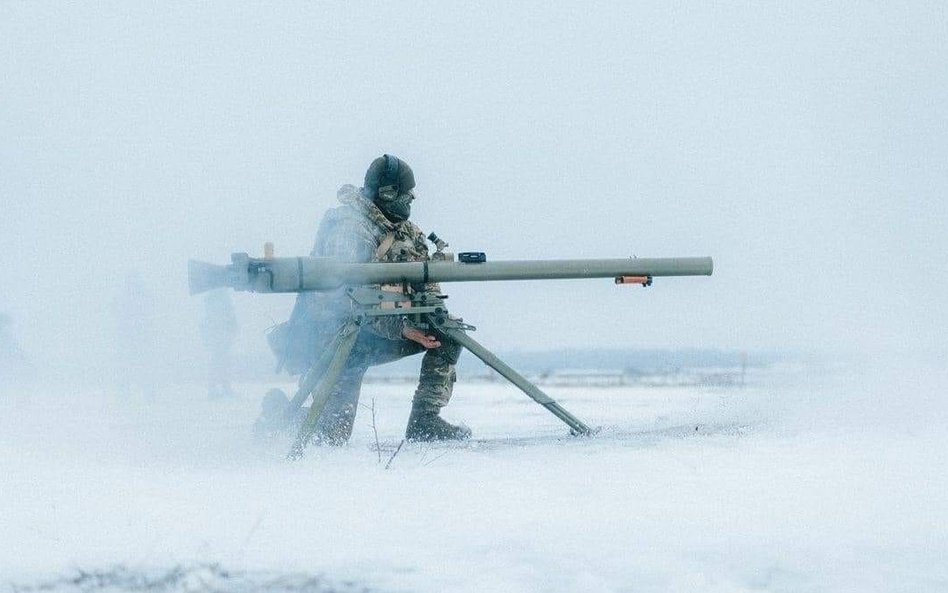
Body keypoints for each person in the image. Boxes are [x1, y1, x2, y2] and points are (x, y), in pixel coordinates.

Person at [285, 154, 470, 444]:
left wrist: (434, 317)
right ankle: (278, 416)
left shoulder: (407, 232)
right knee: (331, 435)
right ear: (387, 193)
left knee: (448, 334)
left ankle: (425, 421)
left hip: (376, 332)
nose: (412, 198)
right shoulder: (348, 229)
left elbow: (427, 282)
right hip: (334, 338)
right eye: (405, 192)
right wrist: (403, 328)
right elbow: (346, 299)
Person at [200, 288, 238, 399]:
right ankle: (220, 388)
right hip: (220, 336)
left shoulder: (212, 299)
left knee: (219, 362)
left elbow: (207, 321)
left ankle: (217, 388)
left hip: (218, 336)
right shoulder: (219, 299)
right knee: (221, 362)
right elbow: (229, 316)